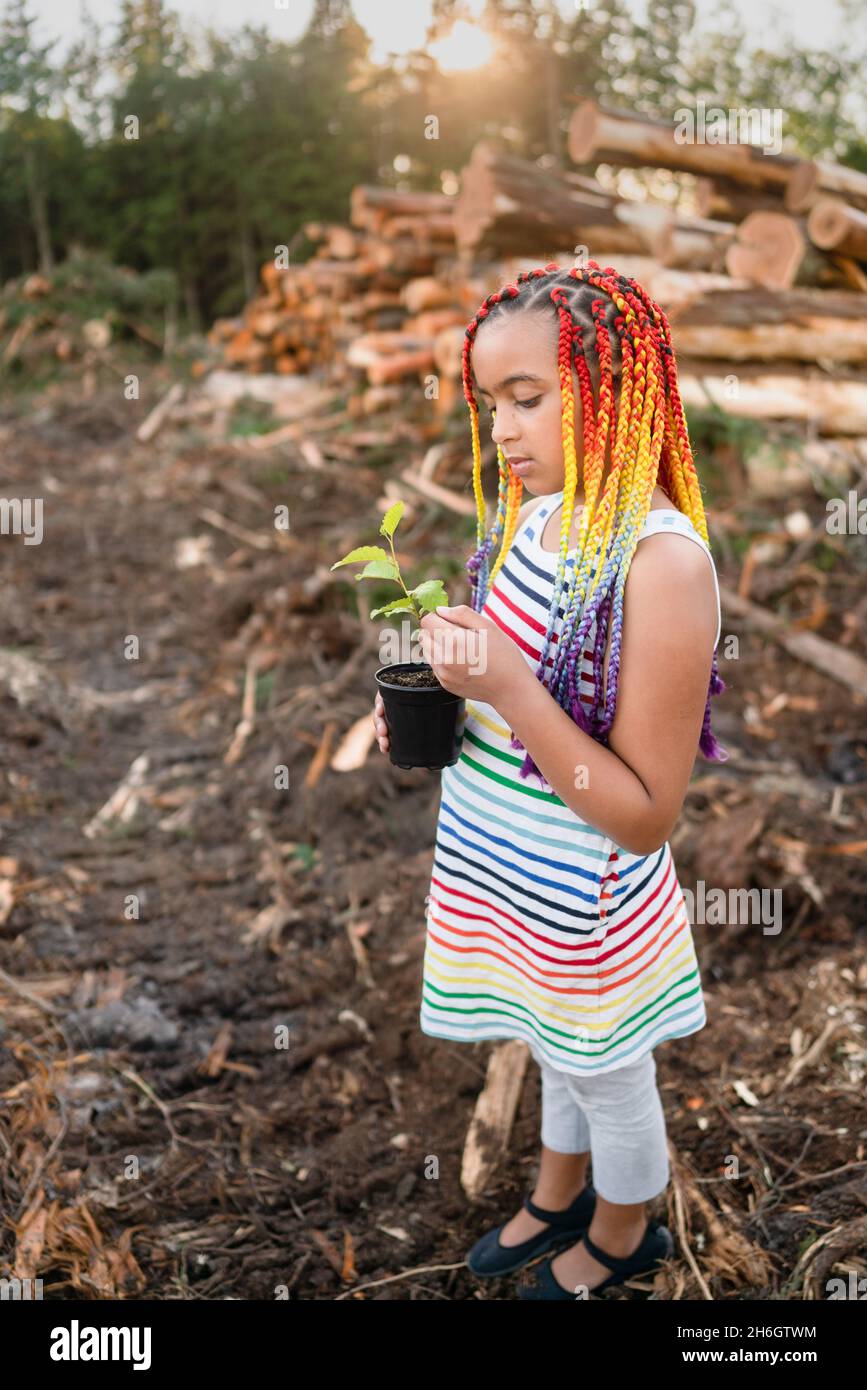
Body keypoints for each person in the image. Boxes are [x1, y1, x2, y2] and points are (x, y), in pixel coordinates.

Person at [372, 261, 725, 1300]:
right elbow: (509, 686)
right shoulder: (538, 517)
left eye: (528, 399)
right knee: (548, 1035)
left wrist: (512, 690)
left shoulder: (661, 564)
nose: (503, 433)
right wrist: (431, 704)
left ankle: (624, 1228)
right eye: (492, 406)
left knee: (607, 1068)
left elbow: (648, 812)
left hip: (589, 895)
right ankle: (557, 1184)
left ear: (613, 389)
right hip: (507, 865)